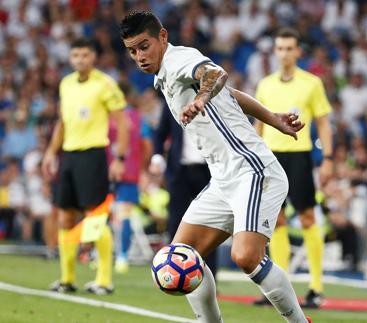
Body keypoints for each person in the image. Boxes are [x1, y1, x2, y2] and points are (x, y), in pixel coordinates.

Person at [120, 11, 311, 323]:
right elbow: (231, 94)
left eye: (144, 46)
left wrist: (202, 98)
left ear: (163, 37)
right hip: (224, 178)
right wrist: (273, 119)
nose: (139, 57)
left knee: (246, 256)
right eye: (132, 51)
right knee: (181, 254)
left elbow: (216, 76)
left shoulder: (180, 60)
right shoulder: (164, 76)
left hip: (252, 169)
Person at [253, 27, 334, 308]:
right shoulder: (265, 84)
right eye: (280, 48)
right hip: (271, 158)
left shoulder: (311, 83)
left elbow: (323, 122)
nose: (284, 53)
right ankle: (280, 286)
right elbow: (258, 125)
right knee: (276, 222)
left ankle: (316, 288)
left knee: (308, 218)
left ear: (298, 52)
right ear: (275, 51)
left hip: (299, 155)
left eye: (289, 48)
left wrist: (329, 159)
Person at [41, 38, 129, 295]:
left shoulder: (105, 84)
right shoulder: (66, 84)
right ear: (71, 58)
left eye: (85, 54)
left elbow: (122, 125)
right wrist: (50, 152)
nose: (80, 59)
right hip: (68, 155)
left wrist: (120, 159)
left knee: (95, 217)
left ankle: (104, 280)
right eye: (76, 55)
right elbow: (62, 122)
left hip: (93, 154)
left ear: (94, 57)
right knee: (65, 215)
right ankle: (66, 279)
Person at [149, 101, 219, 280]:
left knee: (210, 224)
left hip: (208, 171)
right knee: (176, 222)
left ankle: (209, 277)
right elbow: (161, 132)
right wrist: (157, 157)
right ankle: (172, 274)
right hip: (179, 171)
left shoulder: (213, 100)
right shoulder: (173, 99)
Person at [109, 83, 153, 274]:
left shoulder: (110, 115)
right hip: (123, 171)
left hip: (116, 171)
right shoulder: (136, 118)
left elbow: (147, 144)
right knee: (116, 214)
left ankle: (118, 255)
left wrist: (142, 170)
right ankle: (118, 255)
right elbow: (148, 144)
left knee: (115, 214)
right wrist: (142, 169)